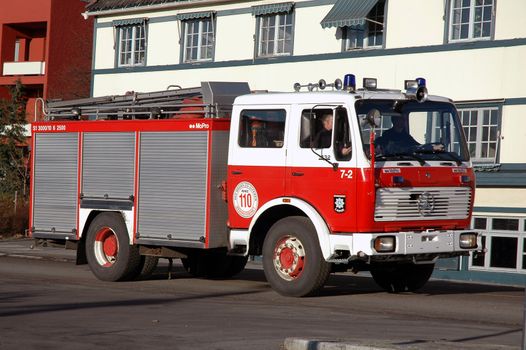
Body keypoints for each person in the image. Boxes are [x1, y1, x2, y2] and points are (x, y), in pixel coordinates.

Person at [375, 115, 444, 154]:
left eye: (403, 119)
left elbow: (416, 145)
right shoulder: (387, 135)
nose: (403, 121)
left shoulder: (406, 135)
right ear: (394, 121)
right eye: (400, 119)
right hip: (392, 160)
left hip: (408, 159)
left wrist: (431, 147)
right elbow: (399, 149)